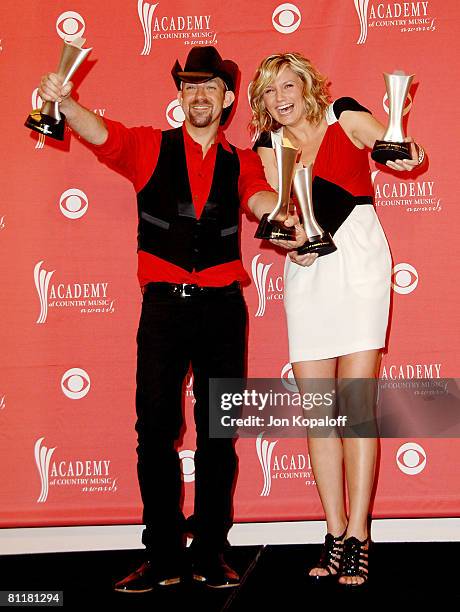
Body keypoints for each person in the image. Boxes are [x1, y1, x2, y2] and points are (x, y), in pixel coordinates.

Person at [38, 46, 285, 591]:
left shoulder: (242, 160)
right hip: (164, 309)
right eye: (189, 86)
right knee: (154, 432)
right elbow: (104, 134)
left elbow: (259, 195)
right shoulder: (151, 146)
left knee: (218, 435)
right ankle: (165, 556)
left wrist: (279, 212)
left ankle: (213, 552)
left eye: (209, 87)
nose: (198, 95)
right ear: (180, 96)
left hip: (223, 309)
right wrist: (65, 102)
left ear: (226, 99)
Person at [249, 52, 425, 587]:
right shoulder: (267, 145)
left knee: (354, 406)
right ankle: (332, 533)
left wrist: (401, 149)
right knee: (318, 413)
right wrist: (286, 240)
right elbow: (278, 206)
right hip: (309, 267)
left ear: (306, 86)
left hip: (360, 262)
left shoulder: (341, 114)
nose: (280, 97)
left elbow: (386, 142)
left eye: (287, 84)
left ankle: (358, 535)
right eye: (268, 90)